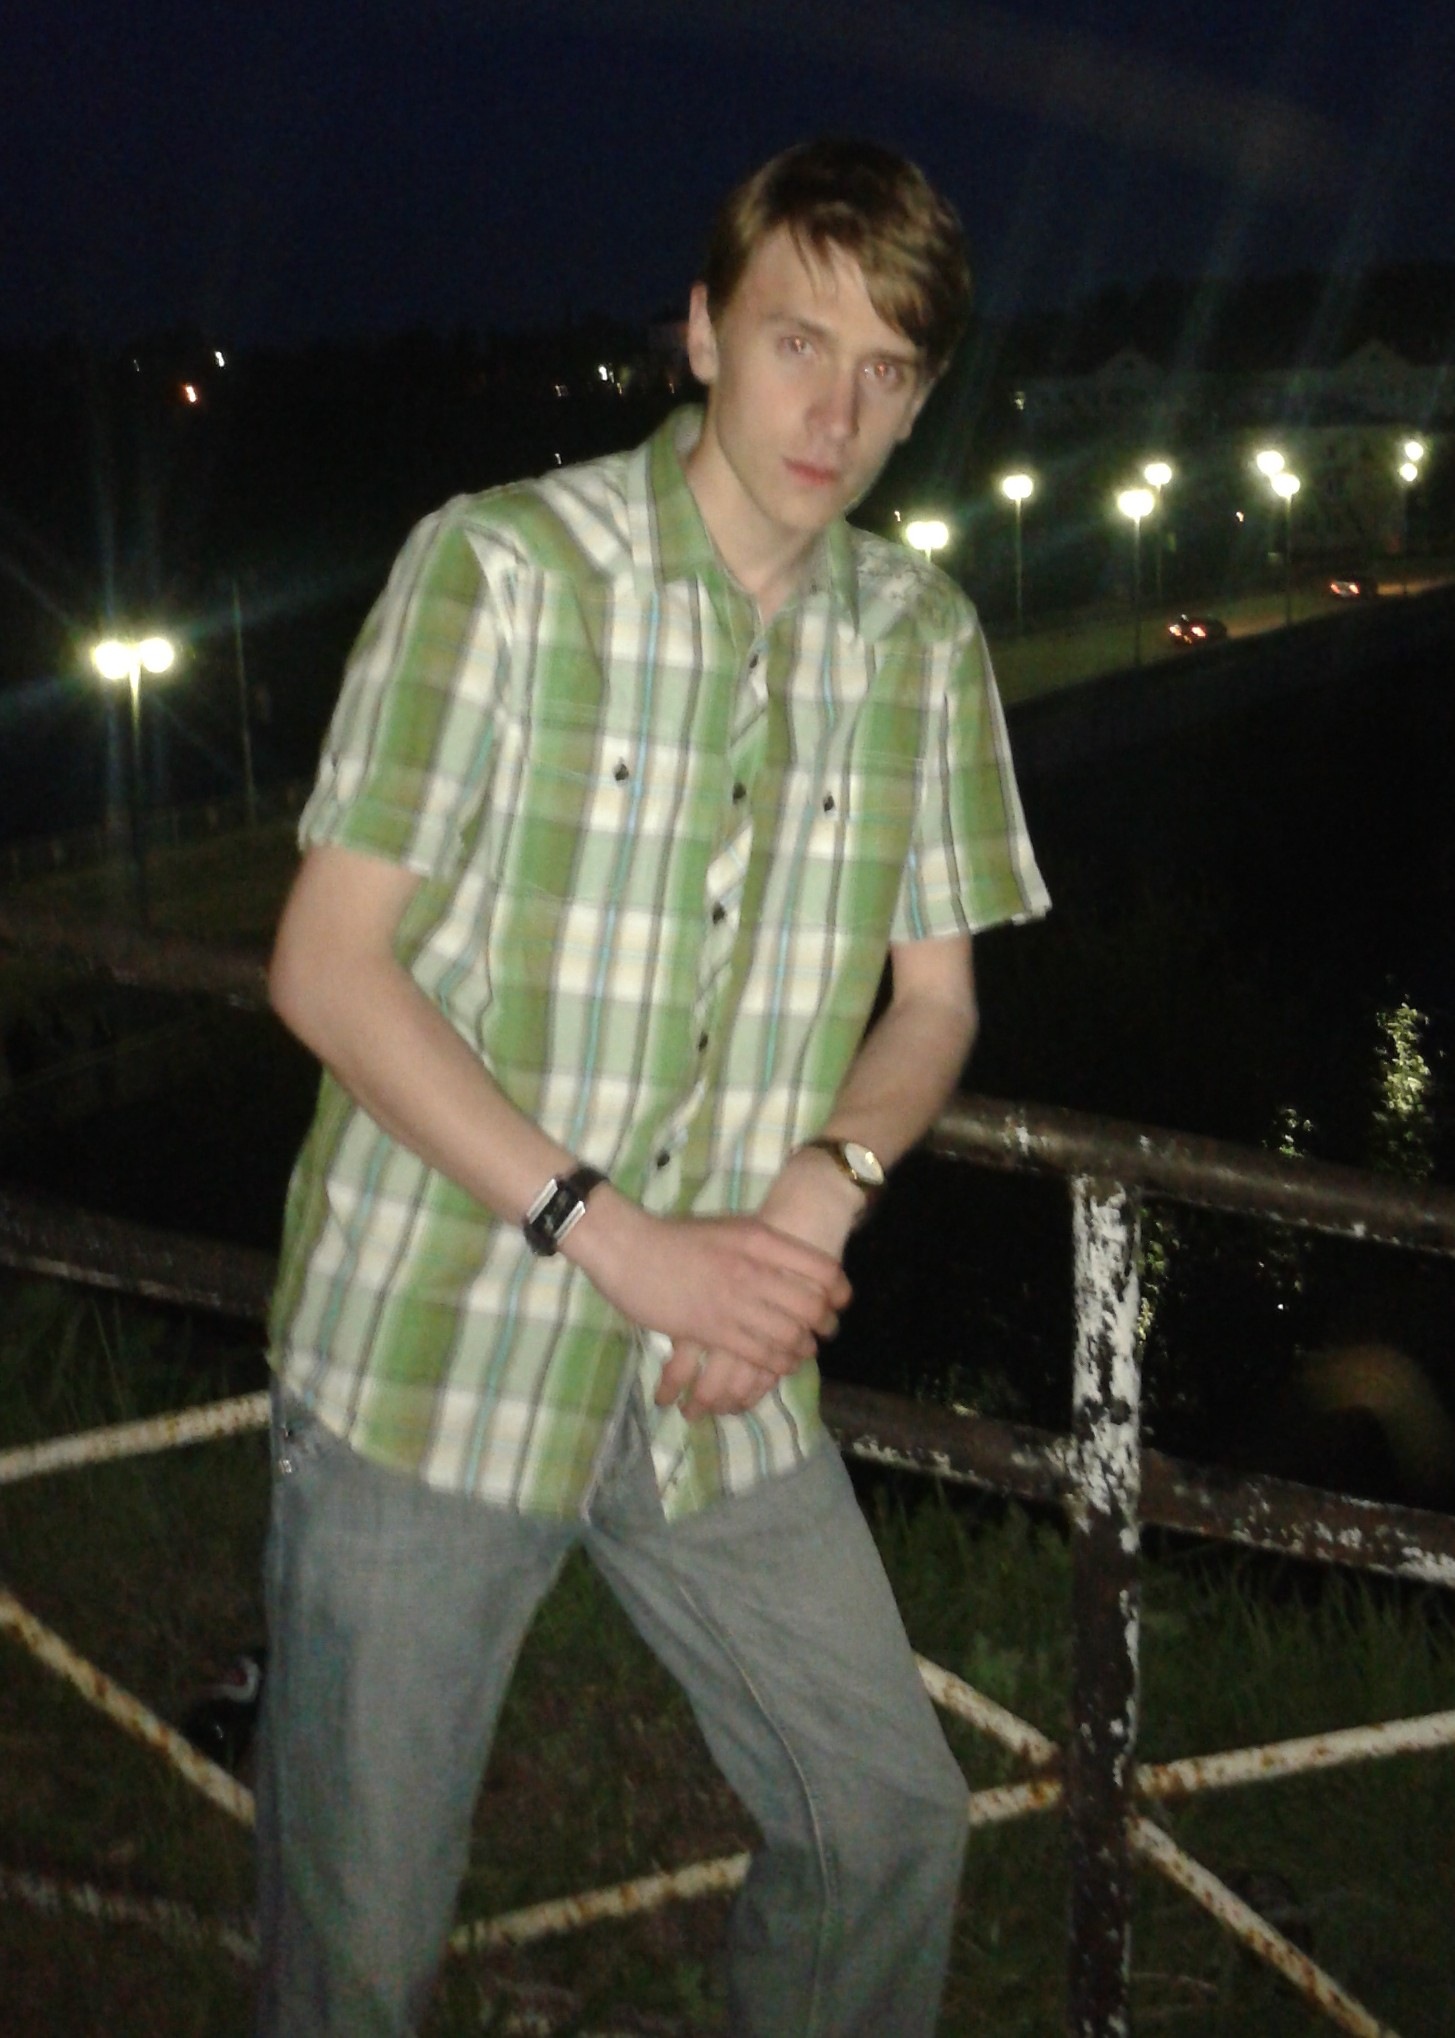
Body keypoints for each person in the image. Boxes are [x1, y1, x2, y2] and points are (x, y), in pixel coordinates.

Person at [256, 136, 1049, 2038]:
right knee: (359, 1942)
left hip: (720, 1374)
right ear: (701, 333)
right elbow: (326, 966)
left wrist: (821, 1191)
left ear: (922, 400)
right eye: (797, 341)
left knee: (883, 1820)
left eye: (887, 371)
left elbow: (935, 999)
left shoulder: (922, 641)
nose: (835, 412)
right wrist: (620, 1239)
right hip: (439, 1348)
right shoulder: (503, 571)